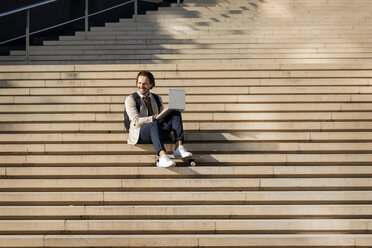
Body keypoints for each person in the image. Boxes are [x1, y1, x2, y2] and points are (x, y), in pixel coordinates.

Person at [125, 71, 192, 167]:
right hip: (140, 132)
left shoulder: (157, 98)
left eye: (144, 83)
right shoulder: (131, 99)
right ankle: (162, 156)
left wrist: (167, 111)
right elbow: (136, 121)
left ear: (151, 84)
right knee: (154, 124)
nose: (141, 86)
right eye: (139, 83)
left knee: (175, 113)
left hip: (156, 129)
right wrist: (153, 118)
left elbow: (161, 117)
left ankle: (179, 147)